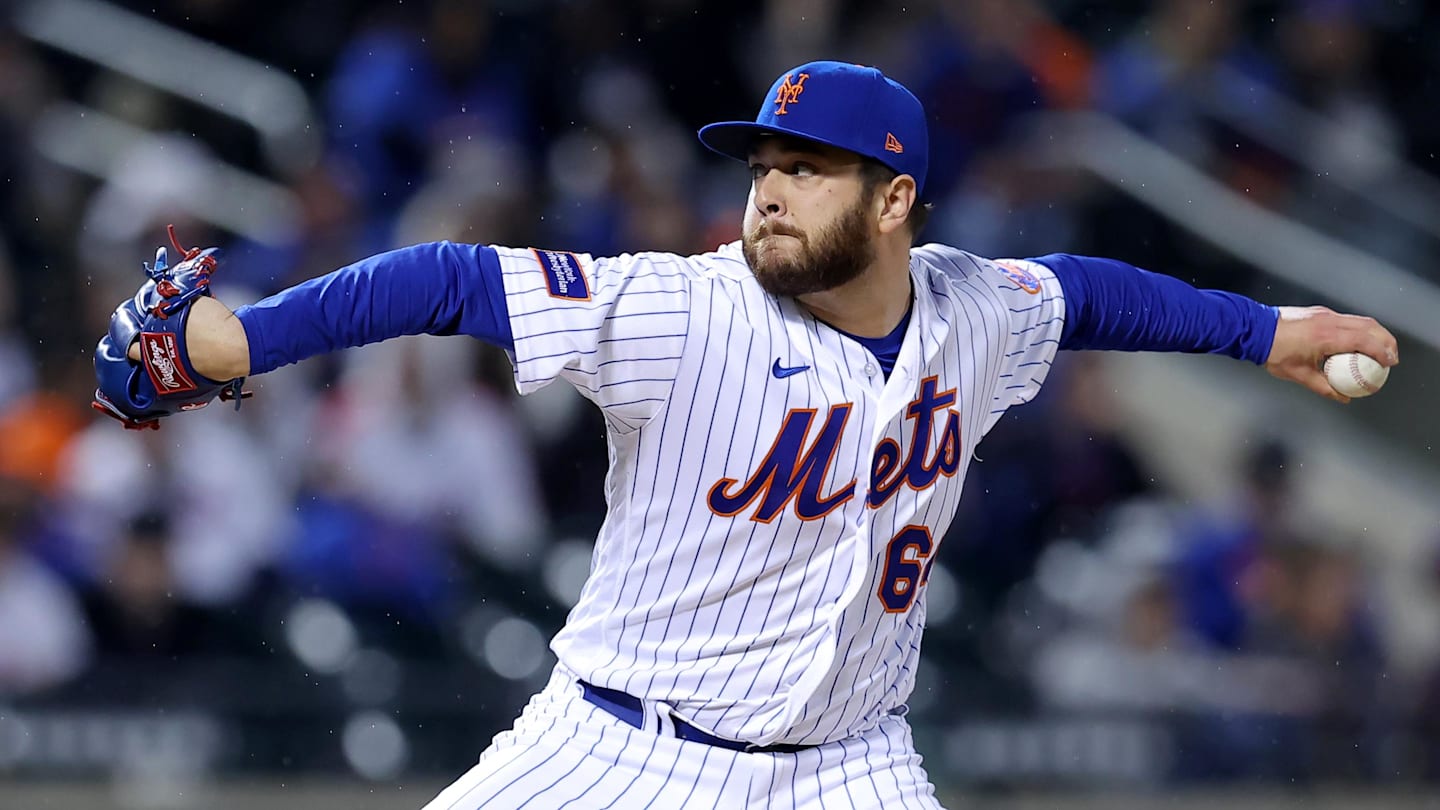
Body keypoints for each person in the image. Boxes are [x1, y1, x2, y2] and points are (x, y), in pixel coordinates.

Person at [93, 61, 1397, 808]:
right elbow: (448, 276)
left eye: (808, 168)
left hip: (847, 768)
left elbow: (1092, 291)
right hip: (617, 748)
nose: (768, 190)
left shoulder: (971, 311)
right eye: (763, 164)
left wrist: (1271, 331)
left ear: (895, 201)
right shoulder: (682, 308)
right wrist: (241, 339)